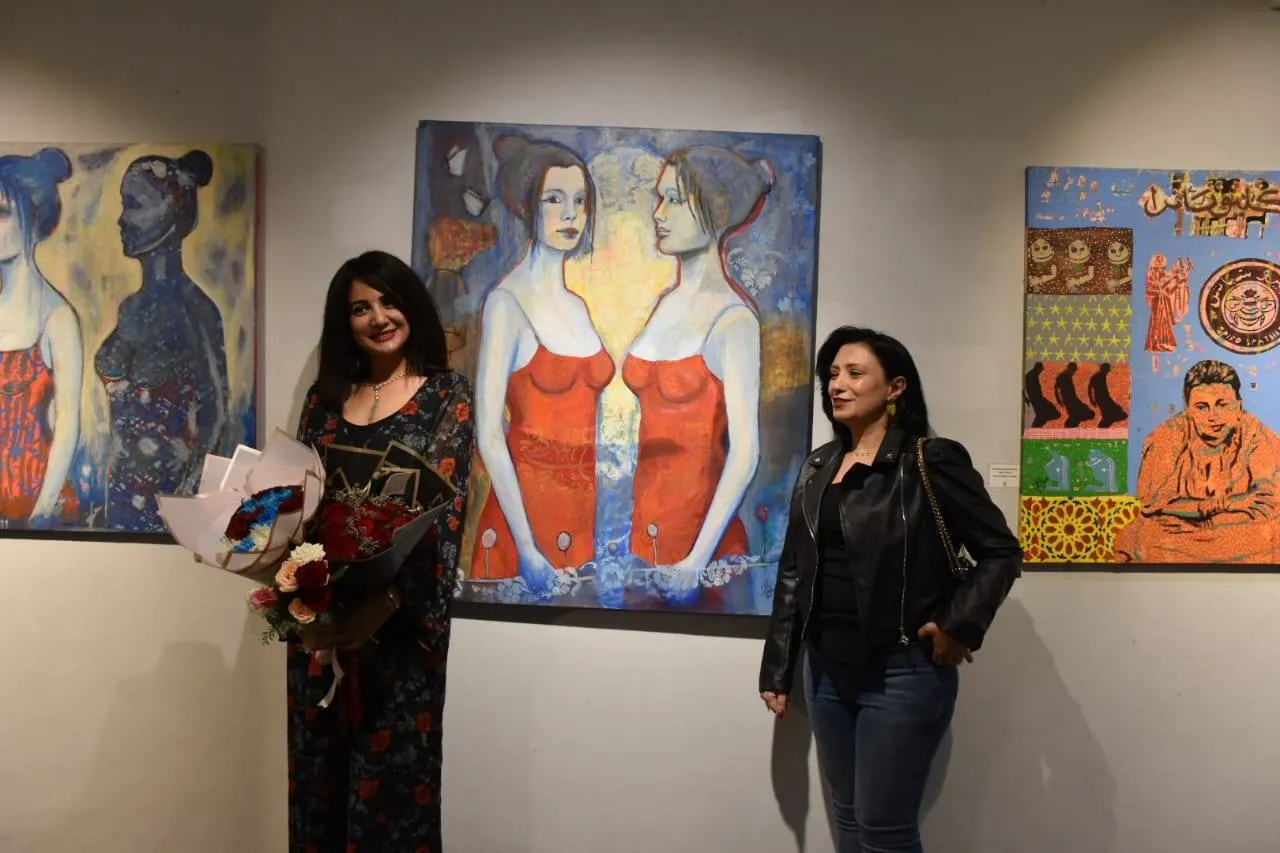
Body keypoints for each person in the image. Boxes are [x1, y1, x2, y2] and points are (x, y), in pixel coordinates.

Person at [758, 326, 1022, 853]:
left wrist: (959, 627)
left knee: (885, 829)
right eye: (833, 374)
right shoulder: (818, 465)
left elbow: (1001, 551)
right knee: (850, 817)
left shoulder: (930, 461)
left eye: (855, 373)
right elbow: (793, 571)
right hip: (825, 672)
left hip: (902, 674)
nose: (838, 384)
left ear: (896, 387)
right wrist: (778, 670)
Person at [288, 250, 474, 852]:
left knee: (391, 805)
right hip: (322, 632)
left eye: (389, 302)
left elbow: (443, 522)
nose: (378, 318)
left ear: (410, 306)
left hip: (400, 637)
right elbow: (299, 508)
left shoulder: (446, 395)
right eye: (360, 309)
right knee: (319, 793)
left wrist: (383, 604)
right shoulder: (323, 400)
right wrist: (299, 603)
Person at [621, 146, 771, 602]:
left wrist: (695, 562)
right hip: (645, 544)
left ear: (714, 211)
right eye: (659, 198)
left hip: (702, 549)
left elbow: (745, 454)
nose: (658, 213)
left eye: (674, 200)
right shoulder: (665, 304)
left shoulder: (733, 320)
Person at [470, 133, 612, 592]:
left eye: (580, 201)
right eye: (555, 199)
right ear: (528, 206)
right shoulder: (506, 304)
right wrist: (528, 548)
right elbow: (489, 434)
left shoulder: (579, 307)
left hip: (579, 516)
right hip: (522, 522)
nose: (571, 215)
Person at [96, 149, 230, 531]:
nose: (122, 219)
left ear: (172, 211)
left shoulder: (194, 311)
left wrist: (186, 504)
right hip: (119, 500)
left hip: (169, 507)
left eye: (134, 204)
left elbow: (216, 416)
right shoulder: (130, 309)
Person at [1113, 359, 1280, 563]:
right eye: (1202, 407)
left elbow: (1268, 501)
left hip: (1240, 529)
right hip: (1179, 530)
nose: (1213, 416)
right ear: (1188, 409)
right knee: (1145, 533)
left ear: (1239, 406)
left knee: (1271, 532)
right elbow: (1152, 503)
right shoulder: (1168, 436)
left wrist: (1215, 515)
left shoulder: (1258, 435)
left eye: (1222, 405)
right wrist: (1220, 505)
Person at [0, 147, 83, 527]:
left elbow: (67, 425)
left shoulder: (57, 318)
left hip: (33, 498)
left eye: (2, 212)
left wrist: (41, 514)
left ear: (33, 219)